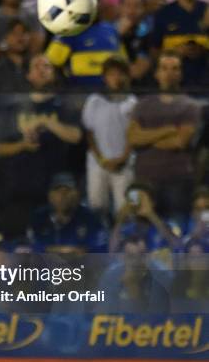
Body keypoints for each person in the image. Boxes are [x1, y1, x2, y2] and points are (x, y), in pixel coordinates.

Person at [0, 54, 81, 238]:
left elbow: (76, 136)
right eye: (37, 66)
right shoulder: (12, 105)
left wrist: (48, 123)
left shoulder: (64, 104)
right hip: (18, 189)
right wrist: (23, 145)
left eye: (47, 67)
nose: (42, 70)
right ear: (28, 75)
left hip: (53, 189)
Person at [128, 50, 201, 219]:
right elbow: (132, 138)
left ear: (181, 73)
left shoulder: (190, 106)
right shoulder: (142, 105)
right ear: (156, 73)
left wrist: (145, 138)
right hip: (143, 181)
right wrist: (167, 130)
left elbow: (179, 142)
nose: (169, 73)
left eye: (175, 68)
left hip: (177, 180)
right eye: (164, 68)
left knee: (175, 232)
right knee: (139, 230)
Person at [82, 56, 136, 216]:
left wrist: (122, 158)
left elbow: (133, 134)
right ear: (105, 77)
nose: (116, 78)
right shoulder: (94, 101)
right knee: (96, 206)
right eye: (112, 74)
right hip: (98, 164)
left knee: (125, 210)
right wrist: (102, 160)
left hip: (124, 164)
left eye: (121, 74)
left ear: (127, 76)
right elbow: (89, 134)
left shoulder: (133, 102)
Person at [151, 0, 209, 86]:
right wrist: (174, 53)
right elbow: (154, 51)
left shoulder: (206, 11)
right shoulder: (163, 14)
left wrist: (202, 50)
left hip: (204, 81)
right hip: (174, 85)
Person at [28, 173, 108, 254]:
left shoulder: (90, 218)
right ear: (50, 196)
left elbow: (100, 250)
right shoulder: (39, 217)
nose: (63, 195)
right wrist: (62, 251)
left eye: (67, 191)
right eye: (58, 191)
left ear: (76, 194)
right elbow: (31, 246)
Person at [45, 18, 126, 88]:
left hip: (109, 94)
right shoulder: (69, 31)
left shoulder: (111, 30)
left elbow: (123, 63)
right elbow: (51, 60)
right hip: (78, 92)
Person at [109, 182, 181, 257]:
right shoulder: (127, 228)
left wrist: (151, 215)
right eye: (132, 198)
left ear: (153, 202)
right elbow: (112, 251)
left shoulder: (169, 224)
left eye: (142, 198)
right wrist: (121, 218)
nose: (137, 202)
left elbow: (178, 246)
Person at [116, 0, 153, 84]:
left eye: (137, 6)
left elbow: (137, 72)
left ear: (144, 9)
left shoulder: (148, 34)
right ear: (120, 8)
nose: (132, 11)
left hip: (142, 89)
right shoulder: (109, 33)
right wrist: (118, 36)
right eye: (128, 5)